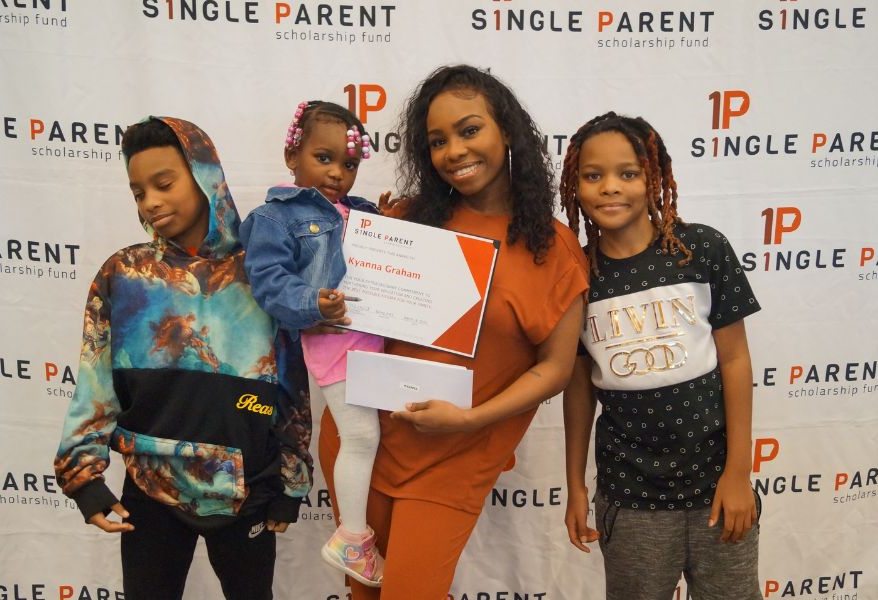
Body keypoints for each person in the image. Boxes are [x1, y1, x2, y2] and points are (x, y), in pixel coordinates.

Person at [317, 64, 589, 599]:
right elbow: (349, 316)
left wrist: (469, 420)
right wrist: (328, 303)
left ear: (506, 131)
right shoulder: (407, 220)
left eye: (469, 130)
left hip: (457, 455)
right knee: (363, 595)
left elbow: (557, 369)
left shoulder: (554, 249)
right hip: (363, 443)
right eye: (438, 141)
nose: (454, 151)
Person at [53, 117, 312, 600]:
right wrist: (83, 477)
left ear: (205, 177)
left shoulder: (262, 273)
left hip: (246, 489)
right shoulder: (124, 275)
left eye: (164, 183)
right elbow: (94, 382)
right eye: (138, 192)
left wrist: (291, 483)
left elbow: (290, 387)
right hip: (150, 490)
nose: (150, 201)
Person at [559, 112, 762, 600]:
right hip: (631, 500)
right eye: (593, 175)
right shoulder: (577, 274)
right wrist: (575, 486)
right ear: (575, 186)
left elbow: (735, 361)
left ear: (654, 178)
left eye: (628, 173)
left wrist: (738, 474)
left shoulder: (703, 250)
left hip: (717, 488)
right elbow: (578, 387)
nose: (610, 187)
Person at [238, 101, 386, 587]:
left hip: (375, 336)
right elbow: (268, 281)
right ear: (292, 155)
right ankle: (352, 538)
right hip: (334, 339)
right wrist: (312, 303)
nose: (338, 173)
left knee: (384, 433)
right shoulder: (275, 218)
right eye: (324, 158)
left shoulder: (360, 211)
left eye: (349, 164)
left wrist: (390, 226)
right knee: (360, 436)